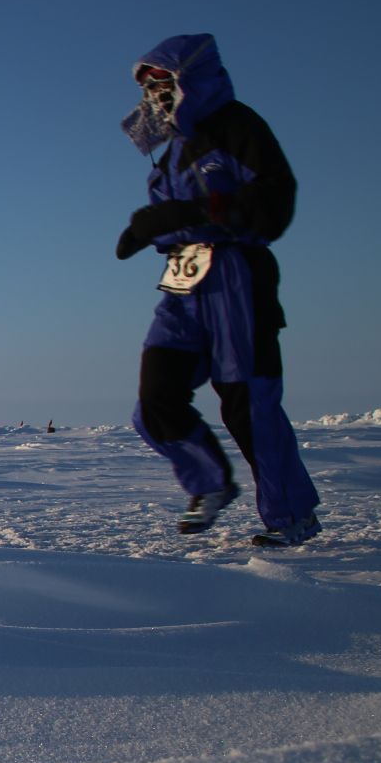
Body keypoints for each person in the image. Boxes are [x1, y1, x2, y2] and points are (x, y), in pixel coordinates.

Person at [115, 33, 321, 546]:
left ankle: (290, 514)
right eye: (146, 85)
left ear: (191, 78)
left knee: (248, 402)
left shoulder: (237, 128)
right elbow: (175, 213)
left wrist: (188, 214)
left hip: (236, 276)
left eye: (162, 81)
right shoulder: (173, 150)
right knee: (155, 399)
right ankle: (209, 483)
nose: (154, 95)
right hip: (183, 283)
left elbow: (272, 208)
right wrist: (150, 228)